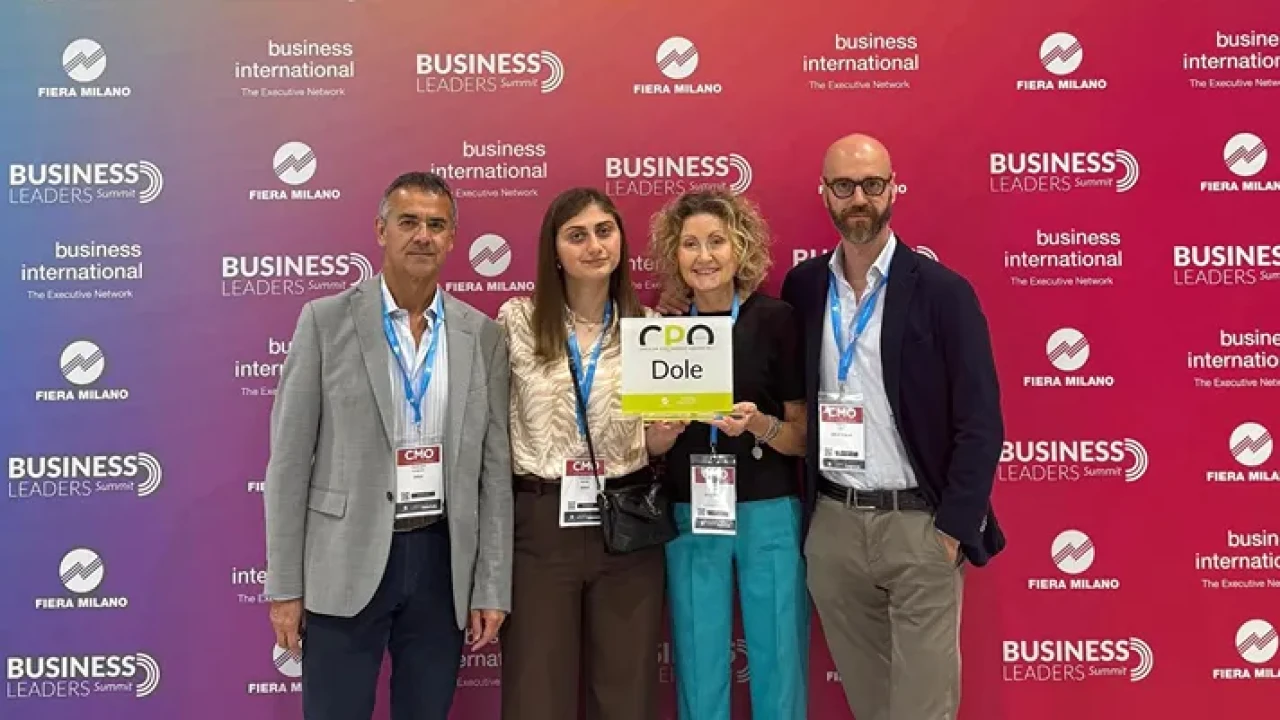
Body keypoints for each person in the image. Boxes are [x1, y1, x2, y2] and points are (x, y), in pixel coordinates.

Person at [262, 171, 513, 720]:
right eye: (408, 222)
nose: (422, 235)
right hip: (345, 557)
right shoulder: (325, 321)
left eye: (436, 225)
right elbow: (287, 465)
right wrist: (284, 586)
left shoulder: (482, 334)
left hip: (442, 561)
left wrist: (491, 585)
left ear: (452, 238)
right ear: (381, 230)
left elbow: (494, 474)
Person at [780, 134, 1006, 720]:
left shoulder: (944, 293)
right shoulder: (804, 288)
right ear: (824, 193)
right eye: (844, 185)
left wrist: (952, 530)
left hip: (919, 527)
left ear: (893, 189)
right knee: (872, 706)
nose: (859, 198)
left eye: (872, 184)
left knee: (923, 709)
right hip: (834, 525)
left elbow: (981, 421)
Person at [497, 187, 668, 720]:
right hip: (540, 525)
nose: (594, 246)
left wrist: (663, 437)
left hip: (627, 523)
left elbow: (651, 440)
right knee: (536, 695)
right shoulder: (517, 322)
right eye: (577, 235)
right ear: (554, 251)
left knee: (625, 696)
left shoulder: (651, 329)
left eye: (604, 231)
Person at [644, 188, 809, 720]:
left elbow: (802, 438)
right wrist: (661, 432)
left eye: (717, 241)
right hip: (692, 512)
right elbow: (646, 440)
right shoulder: (662, 328)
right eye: (690, 244)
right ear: (674, 255)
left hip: (768, 511)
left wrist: (759, 425)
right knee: (698, 662)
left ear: (741, 247)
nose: (704, 256)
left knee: (779, 658)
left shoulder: (777, 319)